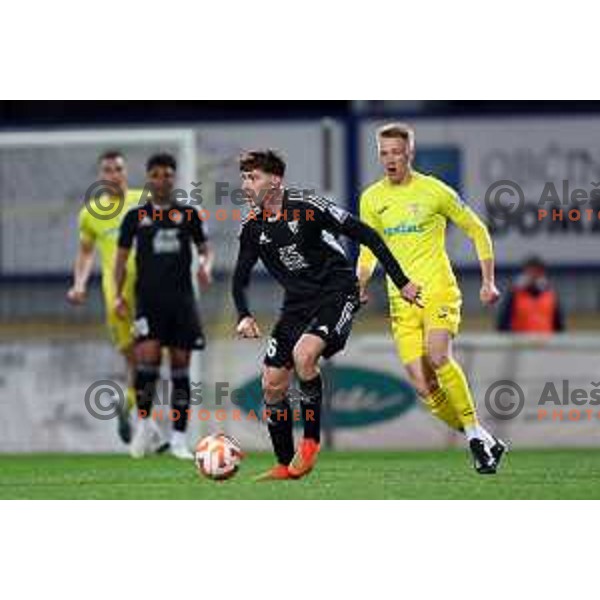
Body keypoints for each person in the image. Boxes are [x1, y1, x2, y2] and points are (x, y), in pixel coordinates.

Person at [232, 149, 421, 481]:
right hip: (296, 304)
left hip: (337, 292)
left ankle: (310, 443)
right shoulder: (252, 227)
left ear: (275, 180)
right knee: (271, 384)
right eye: (244, 177)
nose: (246, 184)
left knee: (304, 356)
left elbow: (368, 235)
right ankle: (284, 463)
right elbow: (239, 277)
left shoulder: (307, 207)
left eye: (254, 176)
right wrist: (244, 314)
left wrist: (401, 280)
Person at [357, 123, 507, 474]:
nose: (390, 159)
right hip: (401, 300)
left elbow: (477, 229)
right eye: (384, 153)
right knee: (424, 387)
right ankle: (486, 438)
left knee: (439, 356)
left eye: (397, 152)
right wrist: (360, 283)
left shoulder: (435, 190)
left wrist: (488, 282)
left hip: (438, 291)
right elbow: (369, 250)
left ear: (410, 153)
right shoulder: (371, 198)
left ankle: (472, 438)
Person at [114, 153, 213, 459]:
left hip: (182, 303)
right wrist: (119, 296)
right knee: (147, 362)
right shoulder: (135, 217)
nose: (162, 179)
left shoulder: (189, 214)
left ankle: (180, 439)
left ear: (174, 178)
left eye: (167, 174)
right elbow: (120, 261)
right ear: (148, 178)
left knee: (181, 367)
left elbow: (206, 251)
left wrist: (205, 266)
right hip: (148, 302)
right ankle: (144, 428)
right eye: (156, 174)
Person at [67, 150, 141, 444]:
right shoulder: (90, 213)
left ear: (126, 172)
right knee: (133, 358)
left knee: (154, 356)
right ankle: (131, 404)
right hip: (117, 294)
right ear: (101, 176)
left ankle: (138, 410)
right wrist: (79, 284)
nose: (113, 175)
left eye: (118, 169)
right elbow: (85, 254)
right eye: (107, 170)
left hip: (152, 290)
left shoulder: (145, 201)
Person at [497, 256, 564, 333]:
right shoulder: (514, 294)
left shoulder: (551, 295)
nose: (533, 275)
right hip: (521, 342)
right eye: (530, 271)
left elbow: (558, 325)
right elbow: (503, 323)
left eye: (536, 272)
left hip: (546, 342)